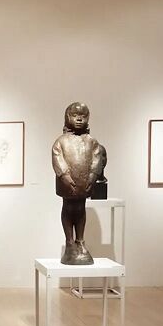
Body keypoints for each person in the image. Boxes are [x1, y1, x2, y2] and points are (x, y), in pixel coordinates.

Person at [52, 102, 101, 265]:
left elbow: (97, 159)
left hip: (84, 182)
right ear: (67, 117)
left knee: (80, 208)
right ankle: (69, 241)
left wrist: (93, 176)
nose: (79, 119)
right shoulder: (61, 141)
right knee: (68, 208)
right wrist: (65, 176)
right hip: (67, 183)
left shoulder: (91, 141)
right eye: (75, 115)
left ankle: (80, 240)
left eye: (83, 116)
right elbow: (57, 158)